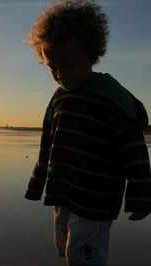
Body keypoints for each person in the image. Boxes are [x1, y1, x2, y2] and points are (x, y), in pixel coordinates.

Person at [24, 0, 151, 265]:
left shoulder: (110, 97)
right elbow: (48, 142)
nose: (59, 75)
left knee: (83, 258)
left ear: (91, 56)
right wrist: (37, 182)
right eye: (52, 67)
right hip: (63, 195)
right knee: (65, 249)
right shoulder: (59, 98)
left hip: (96, 199)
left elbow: (134, 150)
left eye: (68, 66)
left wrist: (141, 195)